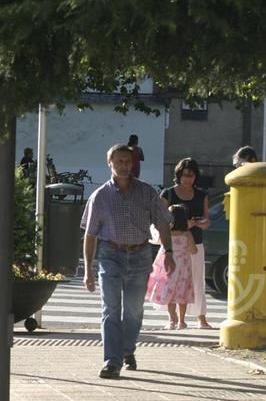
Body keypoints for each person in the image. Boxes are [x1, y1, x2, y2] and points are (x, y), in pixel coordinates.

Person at [81, 144, 175, 380]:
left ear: (133, 163)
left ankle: (127, 350)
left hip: (140, 255)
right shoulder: (100, 196)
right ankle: (112, 362)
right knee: (111, 309)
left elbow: (163, 222)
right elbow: (90, 234)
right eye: (119, 161)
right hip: (110, 255)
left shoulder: (146, 192)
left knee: (133, 311)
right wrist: (88, 270)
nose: (123, 165)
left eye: (127, 161)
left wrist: (169, 252)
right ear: (110, 163)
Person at [160, 158, 212, 329]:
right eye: (185, 175)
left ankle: (201, 317)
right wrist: (180, 226)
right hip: (173, 244)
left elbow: (207, 221)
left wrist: (198, 223)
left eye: (192, 175)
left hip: (195, 243)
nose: (188, 179)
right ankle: (173, 319)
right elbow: (161, 220)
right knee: (171, 282)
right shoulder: (167, 193)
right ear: (179, 175)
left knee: (197, 280)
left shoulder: (202, 195)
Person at [145, 204, 197, 330]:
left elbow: (153, 239)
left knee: (170, 293)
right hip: (183, 267)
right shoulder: (187, 234)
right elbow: (194, 250)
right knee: (182, 293)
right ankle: (182, 321)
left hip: (168, 266)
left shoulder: (166, 233)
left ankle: (172, 320)